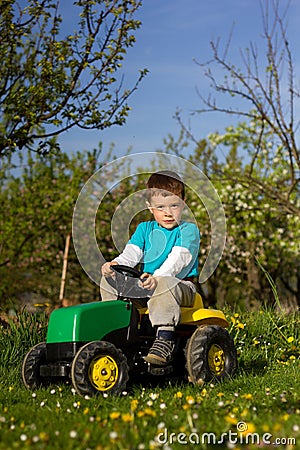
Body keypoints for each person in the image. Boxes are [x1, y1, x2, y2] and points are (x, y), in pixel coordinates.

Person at [100, 170, 200, 365]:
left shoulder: (188, 230)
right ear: (150, 207)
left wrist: (158, 277)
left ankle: (164, 338)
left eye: (174, 205)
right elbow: (131, 254)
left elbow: (179, 260)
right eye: (161, 207)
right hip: (146, 286)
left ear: (184, 204)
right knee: (108, 280)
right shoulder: (144, 229)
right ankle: (114, 333)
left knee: (165, 281)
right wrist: (115, 266)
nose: (168, 212)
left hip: (180, 287)